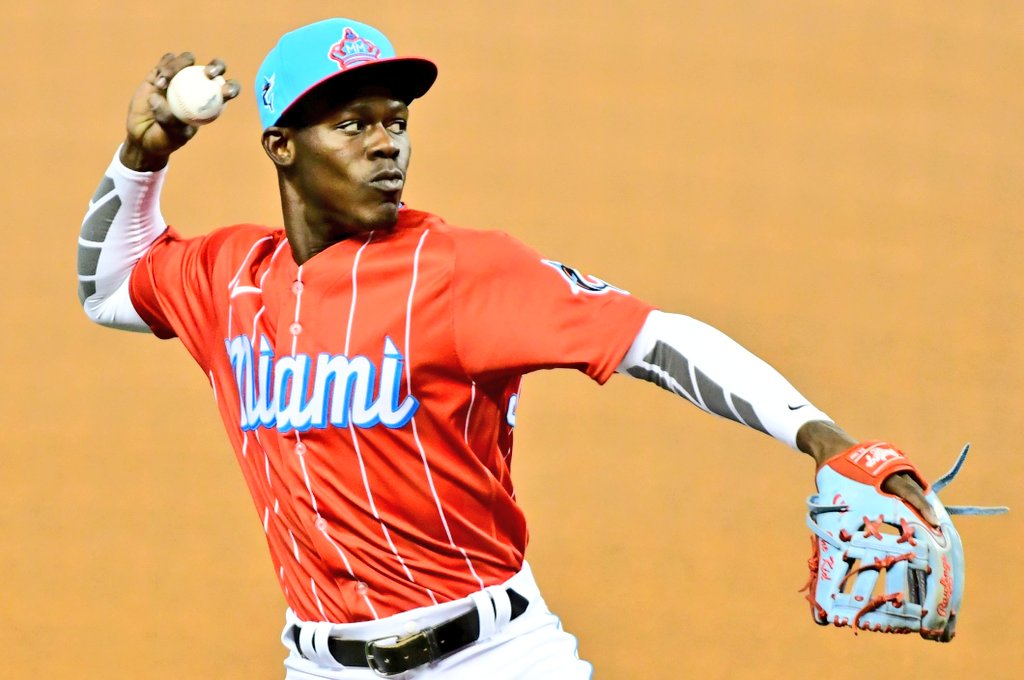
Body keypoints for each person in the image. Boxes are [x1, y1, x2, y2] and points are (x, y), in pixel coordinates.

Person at [78, 17, 940, 679]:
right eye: (353, 124)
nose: (386, 145)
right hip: (318, 661)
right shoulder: (231, 275)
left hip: (490, 659)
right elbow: (108, 288)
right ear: (282, 148)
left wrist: (821, 437)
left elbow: (654, 339)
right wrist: (142, 156)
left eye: (396, 121)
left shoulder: (457, 268)